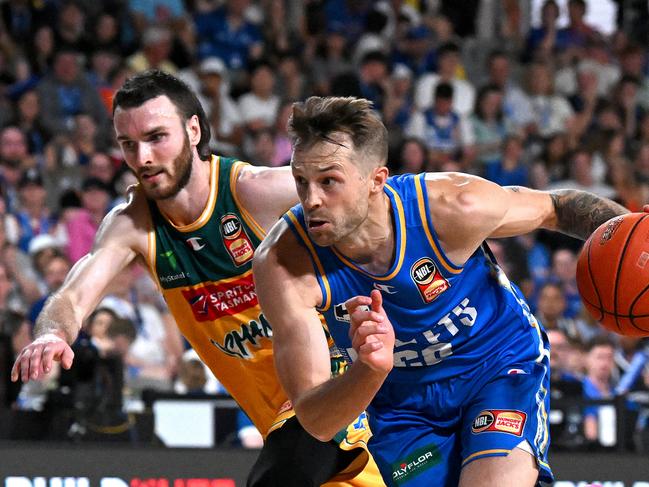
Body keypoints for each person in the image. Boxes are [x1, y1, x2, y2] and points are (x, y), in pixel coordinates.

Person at [11, 71, 382, 487]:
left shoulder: (258, 192)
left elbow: (387, 202)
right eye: (128, 144)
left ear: (193, 129)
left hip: (339, 407)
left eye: (156, 137)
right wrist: (52, 333)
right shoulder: (132, 224)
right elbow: (74, 296)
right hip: (288, 432)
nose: (143, 157)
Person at [252, 96, 629, 487]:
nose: (310, 199)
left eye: (329, 181)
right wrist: (369, 369)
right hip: (399, 402)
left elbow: (557, 206)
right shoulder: (282, 263)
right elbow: (314, 419)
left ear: (376, 181)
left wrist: (634, 234)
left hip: (497, 364)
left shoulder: (452, 206)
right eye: (301, 181)